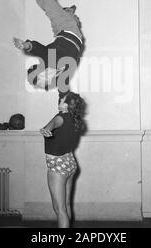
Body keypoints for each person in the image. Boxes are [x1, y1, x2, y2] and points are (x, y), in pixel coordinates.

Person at [39, 92, 86, 228]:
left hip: (58, 166)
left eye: (63, 100)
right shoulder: (75, 119)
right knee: (65, 206)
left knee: (60, 210)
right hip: (70, 162)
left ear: (68, 105)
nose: (59, 100)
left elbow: (54, 123)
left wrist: (47, 129)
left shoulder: (60, 117)